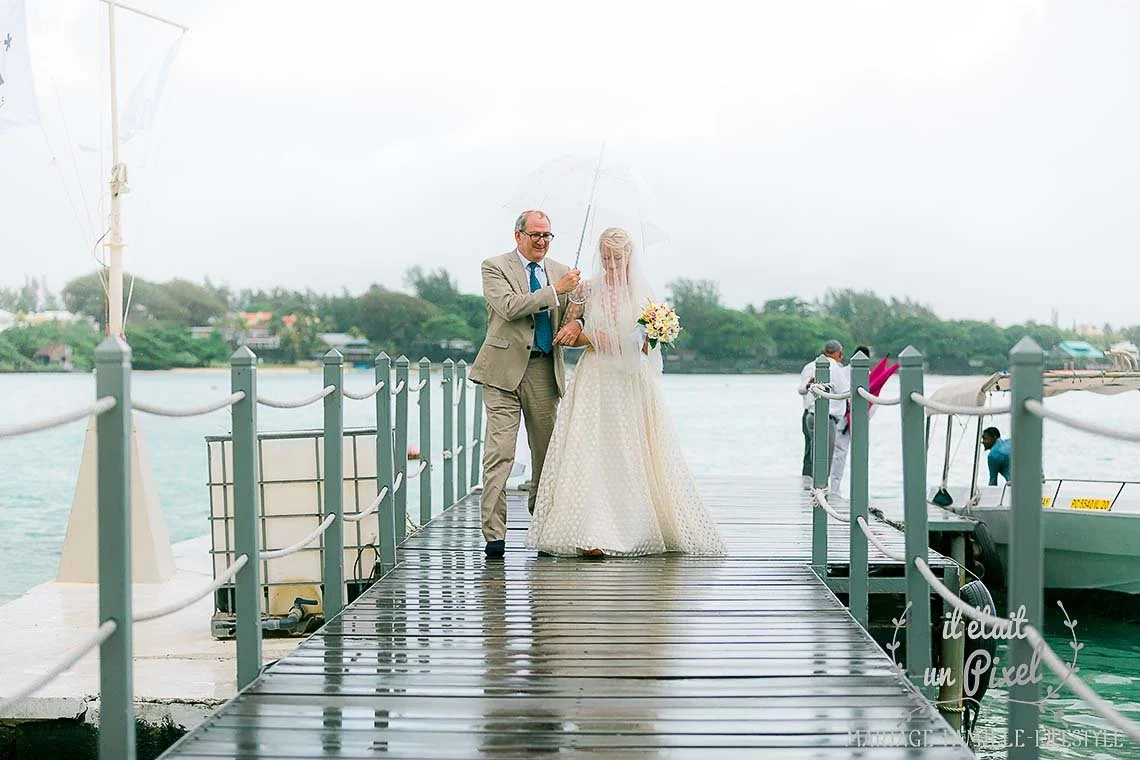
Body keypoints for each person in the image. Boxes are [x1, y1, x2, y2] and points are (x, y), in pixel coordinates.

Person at [524, 227, 726, 558]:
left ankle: (635, 524)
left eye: (617, 258)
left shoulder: (644, 298)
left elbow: (645, 348)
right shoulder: (586, 290)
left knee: (631, 448)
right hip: (596, 378)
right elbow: (567, 335)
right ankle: (590, 532)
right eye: (605, 258)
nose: (611, 264)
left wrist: (630, 336)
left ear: (629, 257)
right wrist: (584, 330)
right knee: (590, 449)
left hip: (630, 380)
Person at [469, 210, 581, 558]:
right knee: (499, 454)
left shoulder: (564, 272)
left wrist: (576, 324)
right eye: (535, 235)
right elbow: (509, 307)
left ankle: (544, 524)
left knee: (546, 455)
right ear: (518, 236)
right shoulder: (495, 266)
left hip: (544, 372)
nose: (542, 242)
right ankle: (494, 537)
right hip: (502, 373)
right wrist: (554, 291)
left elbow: (578, 313)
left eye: (547, 235)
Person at [797, 340, 849, 490]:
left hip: (809, 415)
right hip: (825, 417)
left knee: (811, 453)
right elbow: (846, 391)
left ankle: (809, 486)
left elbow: (801, 389)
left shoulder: (810, 366)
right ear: (839, 353)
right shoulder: (834, 367)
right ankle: (820, 490)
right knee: (824, 457)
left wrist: (809, 385)